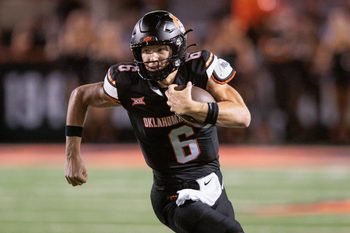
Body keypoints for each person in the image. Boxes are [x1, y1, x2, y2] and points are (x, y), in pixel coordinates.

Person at [64, 10, 250, 233]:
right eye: (146, 50)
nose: (152, 58)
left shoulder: (197, 69)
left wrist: (195, 108)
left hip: (214, 183)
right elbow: (80, 96)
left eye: (161, 49)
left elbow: (243, 116)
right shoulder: (129, 82)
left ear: (177, 47)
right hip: (173, 194)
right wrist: (72, 156)